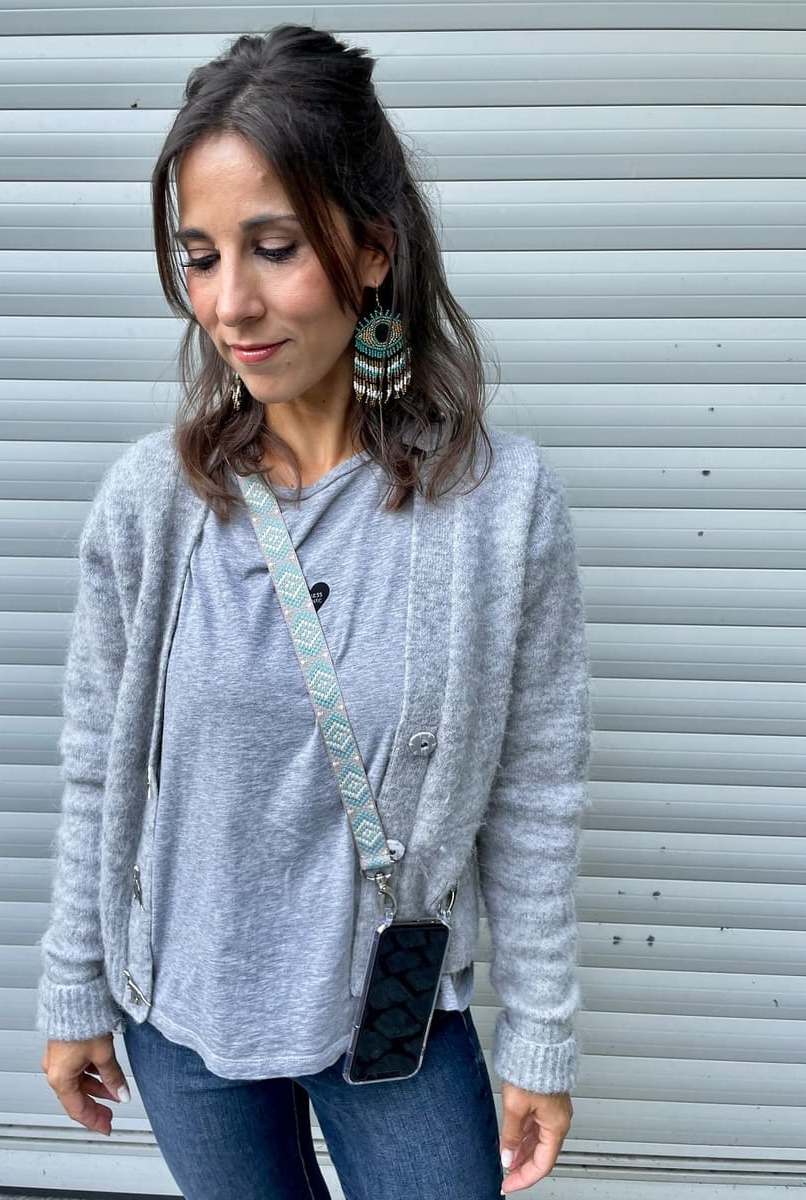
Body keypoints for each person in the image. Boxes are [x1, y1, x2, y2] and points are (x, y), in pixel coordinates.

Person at [37, 24, 590, 1200]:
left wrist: (541, 1033)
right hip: (182, 1019)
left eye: (274, 248)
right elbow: (98, 768)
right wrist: (74, 985)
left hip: (390, 1022)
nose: (229, 304)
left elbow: (536, 790)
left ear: (373, 249)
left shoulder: (499, 509)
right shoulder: (150, 505)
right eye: (199, 258)